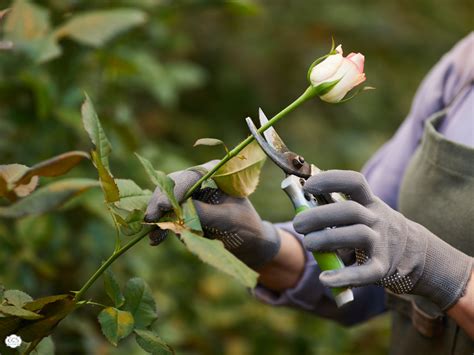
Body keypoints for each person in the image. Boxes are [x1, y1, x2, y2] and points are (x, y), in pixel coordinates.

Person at [145, 33, 474, 353]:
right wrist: (264, 245)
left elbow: (401, 255)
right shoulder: (463, 68)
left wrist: (433, 267)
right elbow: (365, 265)